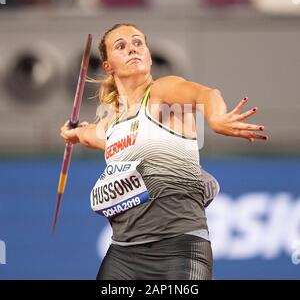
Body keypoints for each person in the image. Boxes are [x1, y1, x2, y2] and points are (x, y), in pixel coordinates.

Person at [60, 23, 267, 280]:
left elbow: (204, 94)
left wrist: (216, 118)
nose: (133, 49)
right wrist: (73, 133)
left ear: (147, 54)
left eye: (138, 43)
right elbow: (91, 135)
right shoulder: (112, 124)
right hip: (123, 255)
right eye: (121, 46)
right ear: (108, 67)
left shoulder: (161, 93)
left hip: (178, 248)